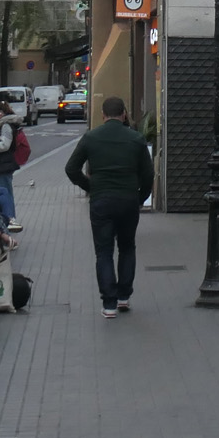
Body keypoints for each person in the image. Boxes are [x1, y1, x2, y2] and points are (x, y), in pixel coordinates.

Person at [66, 95, 154, 316]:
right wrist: (140, 197)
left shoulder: (91, 137)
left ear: (103, 115)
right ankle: (124, 296)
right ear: (123, 114)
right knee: (127, 247)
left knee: (104, 252)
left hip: (101, 200)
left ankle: (109, 303)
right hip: (128, 199)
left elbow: (71, 168)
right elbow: (148, 174)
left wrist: (90, 186)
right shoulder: (136, 138)